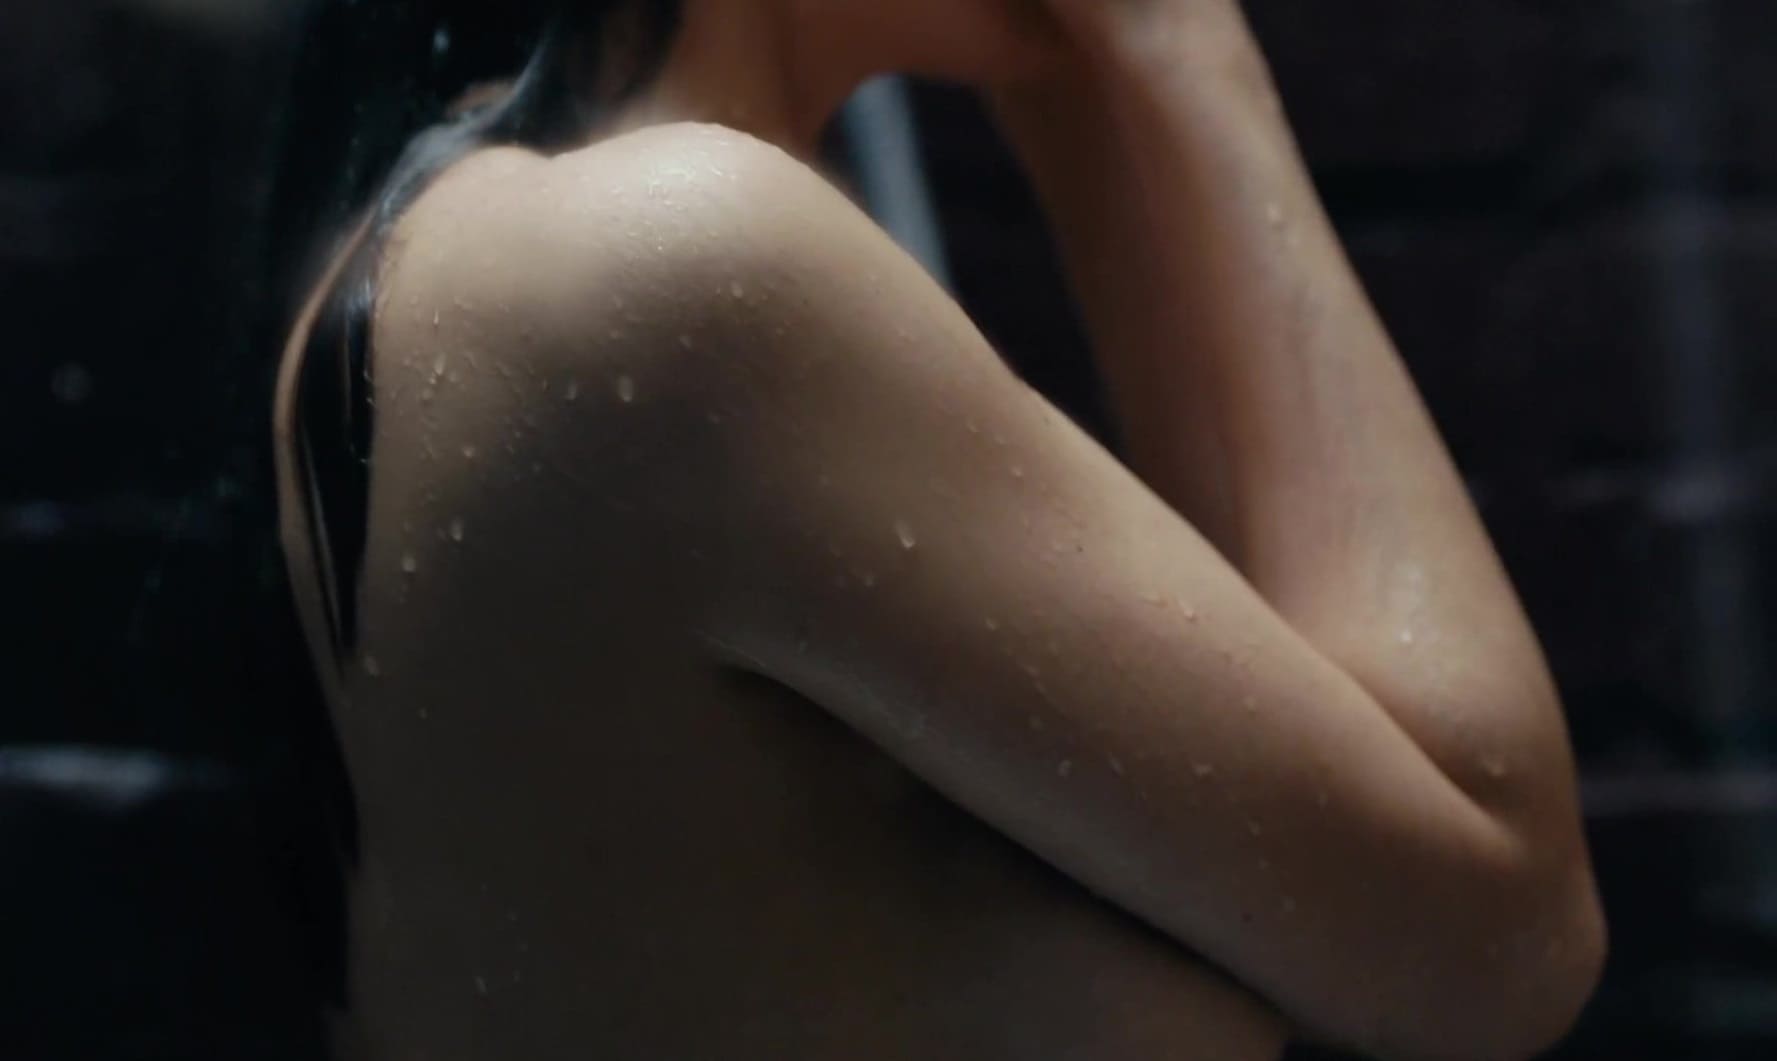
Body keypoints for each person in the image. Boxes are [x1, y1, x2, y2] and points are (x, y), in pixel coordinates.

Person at [272, 1, 1607, 1058]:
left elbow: (1321, 769)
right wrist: (1193, 58)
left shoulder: (502, 242)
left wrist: (1095, 102)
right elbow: (1496, 937)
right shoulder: (675, 267)